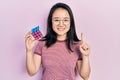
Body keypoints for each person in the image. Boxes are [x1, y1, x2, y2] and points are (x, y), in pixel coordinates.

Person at [25, 2, 91, 80]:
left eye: (65, 20)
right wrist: (29, 51)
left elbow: (85, 76)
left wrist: (86, 56)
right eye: (56, 20)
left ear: (71, 22)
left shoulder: (78, 45)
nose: (61, 24)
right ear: (51, 22)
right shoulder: (42, 43)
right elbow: (32, 72)